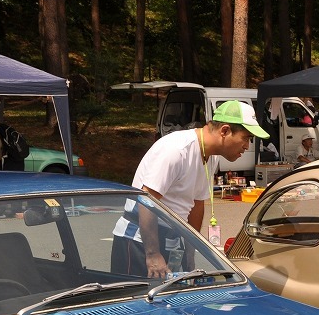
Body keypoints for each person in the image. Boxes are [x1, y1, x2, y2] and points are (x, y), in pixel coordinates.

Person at [111, 99, 267, 279]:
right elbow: (146, 199)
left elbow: (196, 205)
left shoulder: (211, 157)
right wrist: (153, 254)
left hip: (172, 239)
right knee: (137, 305)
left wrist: (190, 254)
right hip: (139, 241)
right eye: (246, 138)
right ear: (225, 130)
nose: (247, 146)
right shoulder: (177, 149)